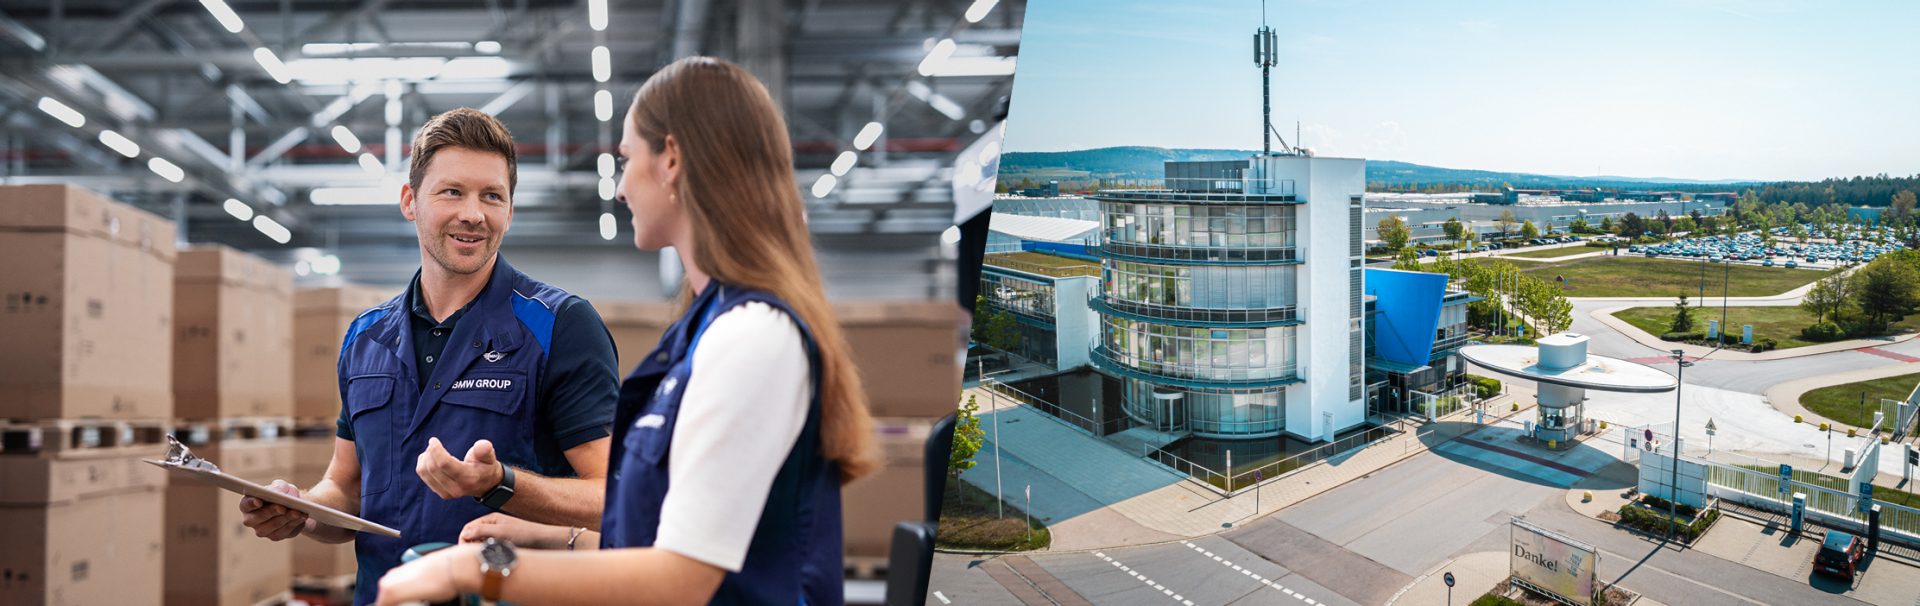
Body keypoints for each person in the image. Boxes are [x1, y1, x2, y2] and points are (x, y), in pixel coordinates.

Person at [372, 56, 880, 606]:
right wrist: (527, 534)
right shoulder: (704, 332)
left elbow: (681, 579)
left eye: (627, 158)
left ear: (672, 161)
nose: (619, 188)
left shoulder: (752, 338)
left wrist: (473, 569)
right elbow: (655, 533)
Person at [237, 108, 621, 606]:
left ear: (511, 210)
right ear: (410, 201)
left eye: (492, 196)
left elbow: (612, 495)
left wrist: (502, 484)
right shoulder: (365, 338)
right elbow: (346, 487)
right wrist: (303, 509)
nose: (473, 214)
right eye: (452, 192)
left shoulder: (559, 326)